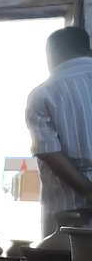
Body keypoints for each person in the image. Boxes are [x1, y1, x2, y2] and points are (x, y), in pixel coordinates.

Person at [26, 25, 92, 236]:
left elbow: (48, 152)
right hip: (70, 213)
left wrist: (88, 190)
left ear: (51, 55)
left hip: (68, 215)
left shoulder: (44, 94)